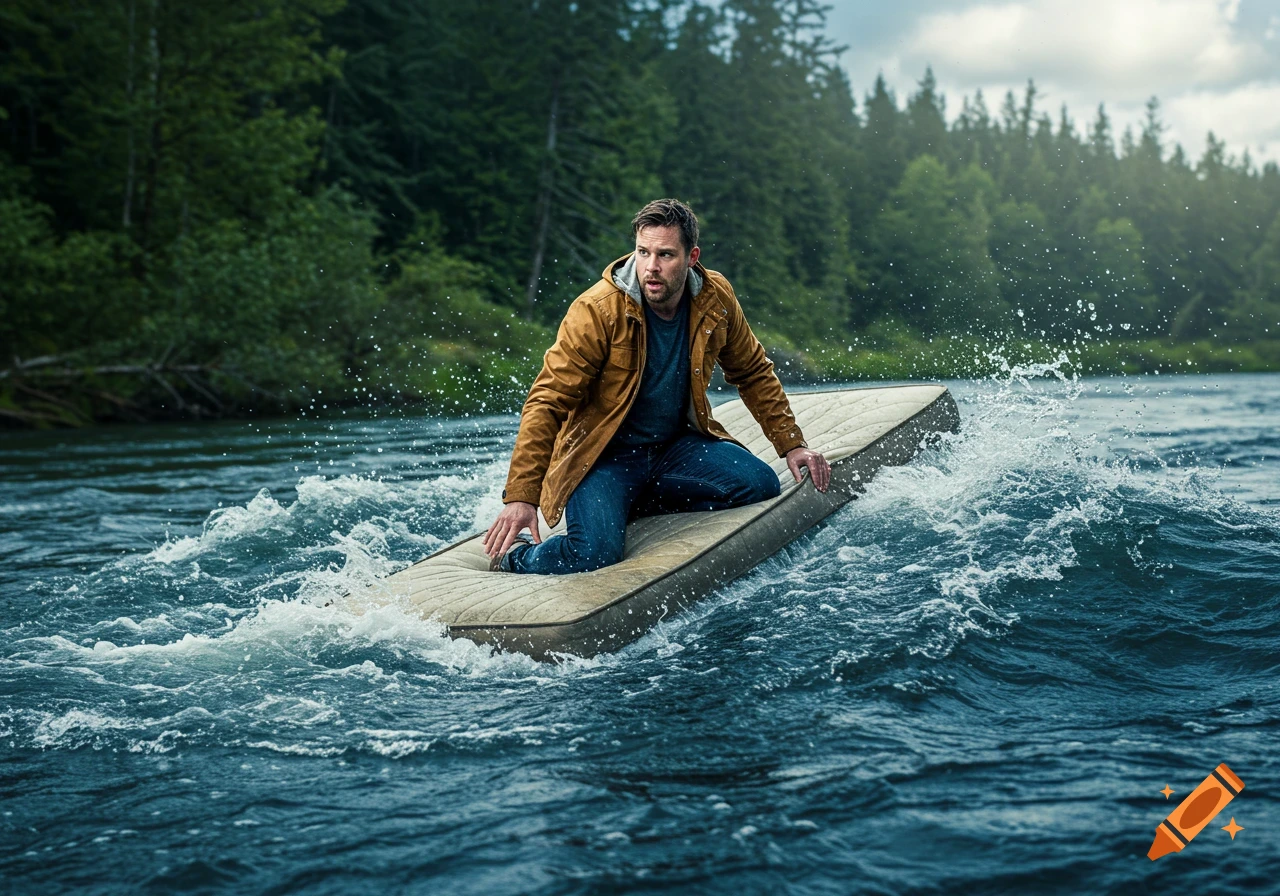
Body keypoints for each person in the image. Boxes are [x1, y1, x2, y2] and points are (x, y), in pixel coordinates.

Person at [483, 198, 830, 573]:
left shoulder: (716, 297)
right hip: (601, 458)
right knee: (593, 554)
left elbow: (752, 372)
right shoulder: (597, 310)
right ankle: (515, 556)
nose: (651, 267)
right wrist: (521, 497)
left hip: (673, 447)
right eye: (642, 252)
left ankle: (629, 503)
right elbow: (546, 401)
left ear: (692, 256)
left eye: (665, 255)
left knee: (758, 483)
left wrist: (792, 444)